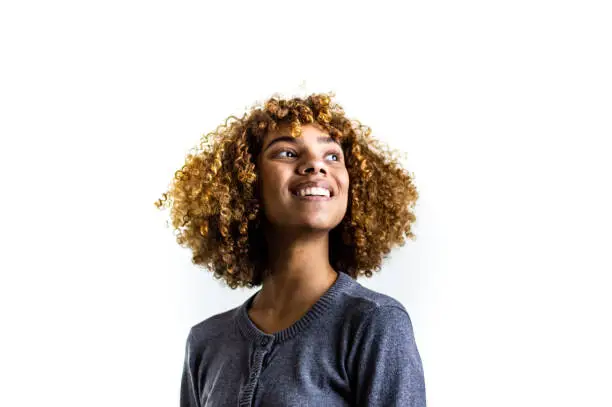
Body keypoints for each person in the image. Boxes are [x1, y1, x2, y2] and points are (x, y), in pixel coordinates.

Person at [155, 92, 426, 406]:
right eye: (287, 152)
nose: (315, 165)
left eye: (332, 156)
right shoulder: (206, 343)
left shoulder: (373, 323)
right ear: (247, 181)